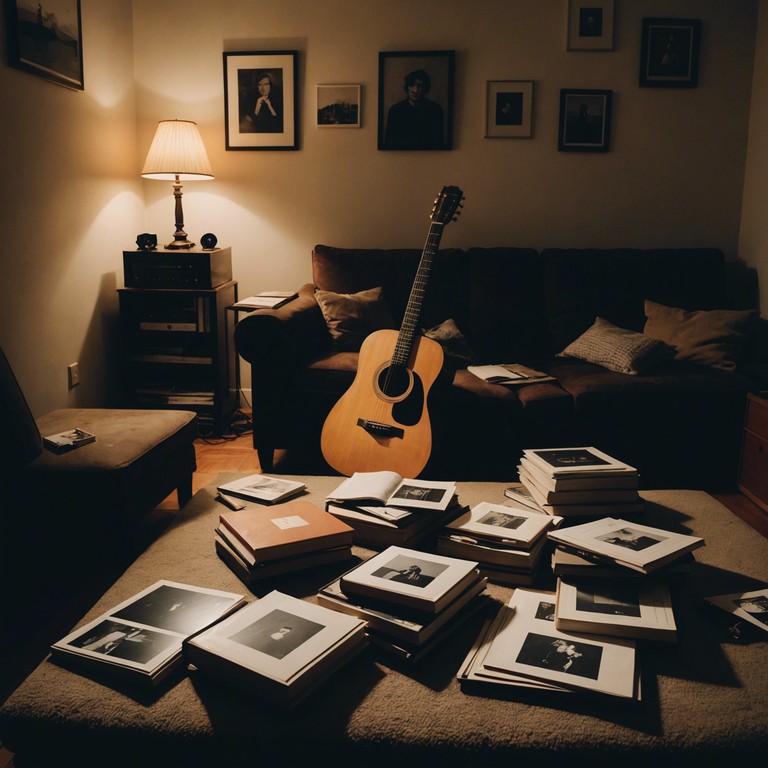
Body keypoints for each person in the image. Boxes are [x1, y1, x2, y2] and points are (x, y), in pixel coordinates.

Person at [384, 68, 444, 148]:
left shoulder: (435, 110)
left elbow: (438, 142)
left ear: (425, 88)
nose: (415, 90)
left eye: (419, 86)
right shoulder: (395, 111)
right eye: (411, 85)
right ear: (407, 87)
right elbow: (389, 142)